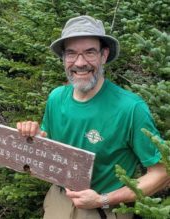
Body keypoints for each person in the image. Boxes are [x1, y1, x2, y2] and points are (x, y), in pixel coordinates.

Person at [16, 15, 170, 219]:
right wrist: (35, 137)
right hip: (58, 201)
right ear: (63, 58)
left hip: (105, 209)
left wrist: (102, 199)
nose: (80, 63)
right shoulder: (56, 98)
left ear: (104, 55)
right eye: (71, 53)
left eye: (89, 52)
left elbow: (162, 172)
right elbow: (51, 145)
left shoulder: (130, 108)